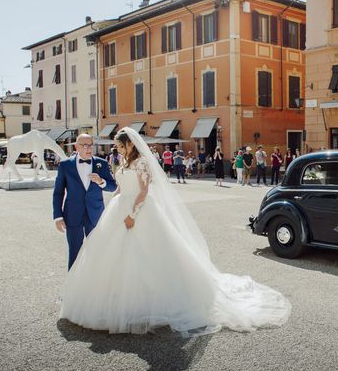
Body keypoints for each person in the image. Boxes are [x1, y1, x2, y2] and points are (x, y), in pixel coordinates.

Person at [59, 127, 291, 335]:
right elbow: (120, 187)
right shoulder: (123, 162)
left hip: (139, 212)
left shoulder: (141, 163)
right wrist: (115, 204)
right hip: (119, 209)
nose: (118, 150)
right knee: (113, 258)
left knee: (147, 256)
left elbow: (143, 192)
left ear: (130, 144)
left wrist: (132, 214)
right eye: (117, 147)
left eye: (121, 146)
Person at [52, 134, 117, 270]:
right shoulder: (65, 165)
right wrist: (58, 216)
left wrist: (101, 181)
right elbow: (58, 192)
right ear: (76, 147)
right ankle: (73, 286)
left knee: (97, 250)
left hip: (95, 213)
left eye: (91, 145)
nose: (88, 149)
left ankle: (97, 281)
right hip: (72, 214)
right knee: (74, 251)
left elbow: (113, 186)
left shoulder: (102, 163)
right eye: (84, 145)